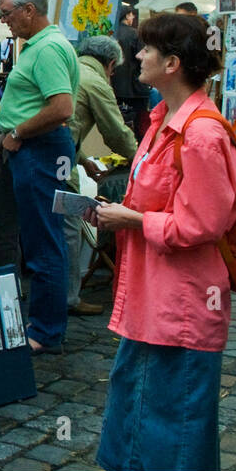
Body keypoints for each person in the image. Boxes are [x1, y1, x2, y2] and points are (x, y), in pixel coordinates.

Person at [87, 12, 236, 471]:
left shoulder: (201, 133)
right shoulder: (162, 121)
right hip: (151, 300)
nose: (137, 55)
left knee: (175, 432)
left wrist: (132, 220)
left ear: (171, 63)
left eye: (147, 49)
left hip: (182, 306)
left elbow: (201, 225)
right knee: (140, 416)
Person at [0, 0, 80, 355]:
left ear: (29, 9)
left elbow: (62, 107)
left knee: (43, 241)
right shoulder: (40, 45)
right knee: (19, 236)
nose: (4, 21)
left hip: (37, 149)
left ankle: (45, 330)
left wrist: (19, 133)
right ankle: (18, 316)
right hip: (29, 149)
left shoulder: (46, 50)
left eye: (7, 14)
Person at [64, 36, 138, 317]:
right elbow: (117, 134)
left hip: (43, 157)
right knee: (69, 230)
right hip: (59, 163)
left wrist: (82, 159)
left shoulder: (71, 68)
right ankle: (69, 298)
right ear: (109, 64)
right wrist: (143, 159)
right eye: (113, 70)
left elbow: (68, 123)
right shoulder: (96, 82)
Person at [112, 4, 147, 145]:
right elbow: (141, 58)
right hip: (135, 86)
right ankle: (138, 147)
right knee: (140, 122)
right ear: (127, 15)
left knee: (118, 120)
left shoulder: (110, 33)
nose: (133, 17)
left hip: (115, 85)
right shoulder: (135, 34)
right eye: (132, 15)